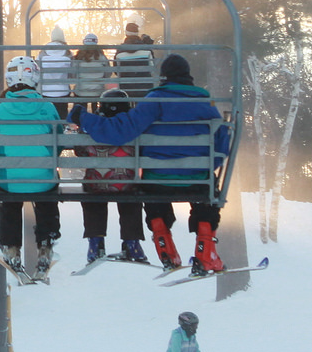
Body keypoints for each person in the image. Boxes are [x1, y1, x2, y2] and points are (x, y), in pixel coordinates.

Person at [75, 54, 235, 274]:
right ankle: (206, 252)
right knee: (208, 192)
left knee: (150, 189)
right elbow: (221, 147)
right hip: (198, 180)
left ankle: (165, 247)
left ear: (163, 78)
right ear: (188, 78)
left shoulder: (153, 102)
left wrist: (83, 118)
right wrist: (205, 168)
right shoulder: (206, 105)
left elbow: (120, 130)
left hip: (158, 181)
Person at [0, 55, 62, 279]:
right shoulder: (47, 108)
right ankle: (45, 247)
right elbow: (59, 142)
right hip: (42, 179)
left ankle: (11, 249)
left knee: (10, 201)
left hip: (10, 180)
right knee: (47, 195)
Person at [78, 83, 147, 263]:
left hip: (97, 185)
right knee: (131, 196)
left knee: (92, 194)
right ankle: (132, 244)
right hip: (126, 185)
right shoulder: (134, 129)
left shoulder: (92, 129)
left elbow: (80, 151)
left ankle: (95, 243)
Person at [115, 21, 157, 96]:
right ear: (137, 33)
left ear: (126, 33)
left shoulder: (119, 51)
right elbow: (152, 68)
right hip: (145, 88)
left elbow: (116, 71)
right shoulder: (146, 49)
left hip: (125, 88)